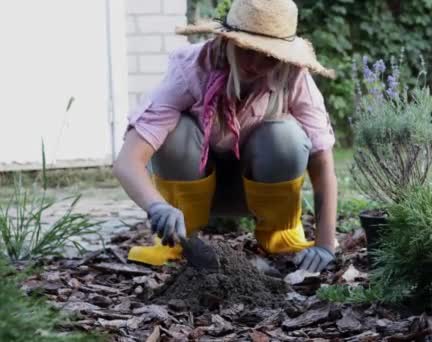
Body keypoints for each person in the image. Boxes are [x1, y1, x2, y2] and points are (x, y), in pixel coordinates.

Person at [112, 0, 338, 273]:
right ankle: (177, 240)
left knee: (285, 137)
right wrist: (157, 207)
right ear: (228, 41)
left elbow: (322, 163)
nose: (255, 64)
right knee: (178, 132)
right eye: (248, 50)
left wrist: (325, 244)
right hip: (192, 189)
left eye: (269, 55)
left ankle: (281, 237)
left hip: (257, 187)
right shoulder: (192, 70)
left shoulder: (292, 76)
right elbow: (127, 161)